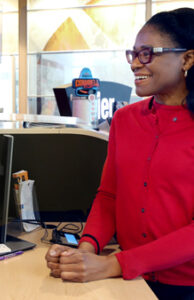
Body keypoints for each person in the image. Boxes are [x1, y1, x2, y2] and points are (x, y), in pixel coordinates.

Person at [45, 8, 194, 300]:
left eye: (147, 53)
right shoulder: (125, 120)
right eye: (133, 54)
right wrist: (86, 252)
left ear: (187, 59)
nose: (135, 64)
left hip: (184, 287)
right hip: (128, 280)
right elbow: (109, 196)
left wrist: (113, 264)